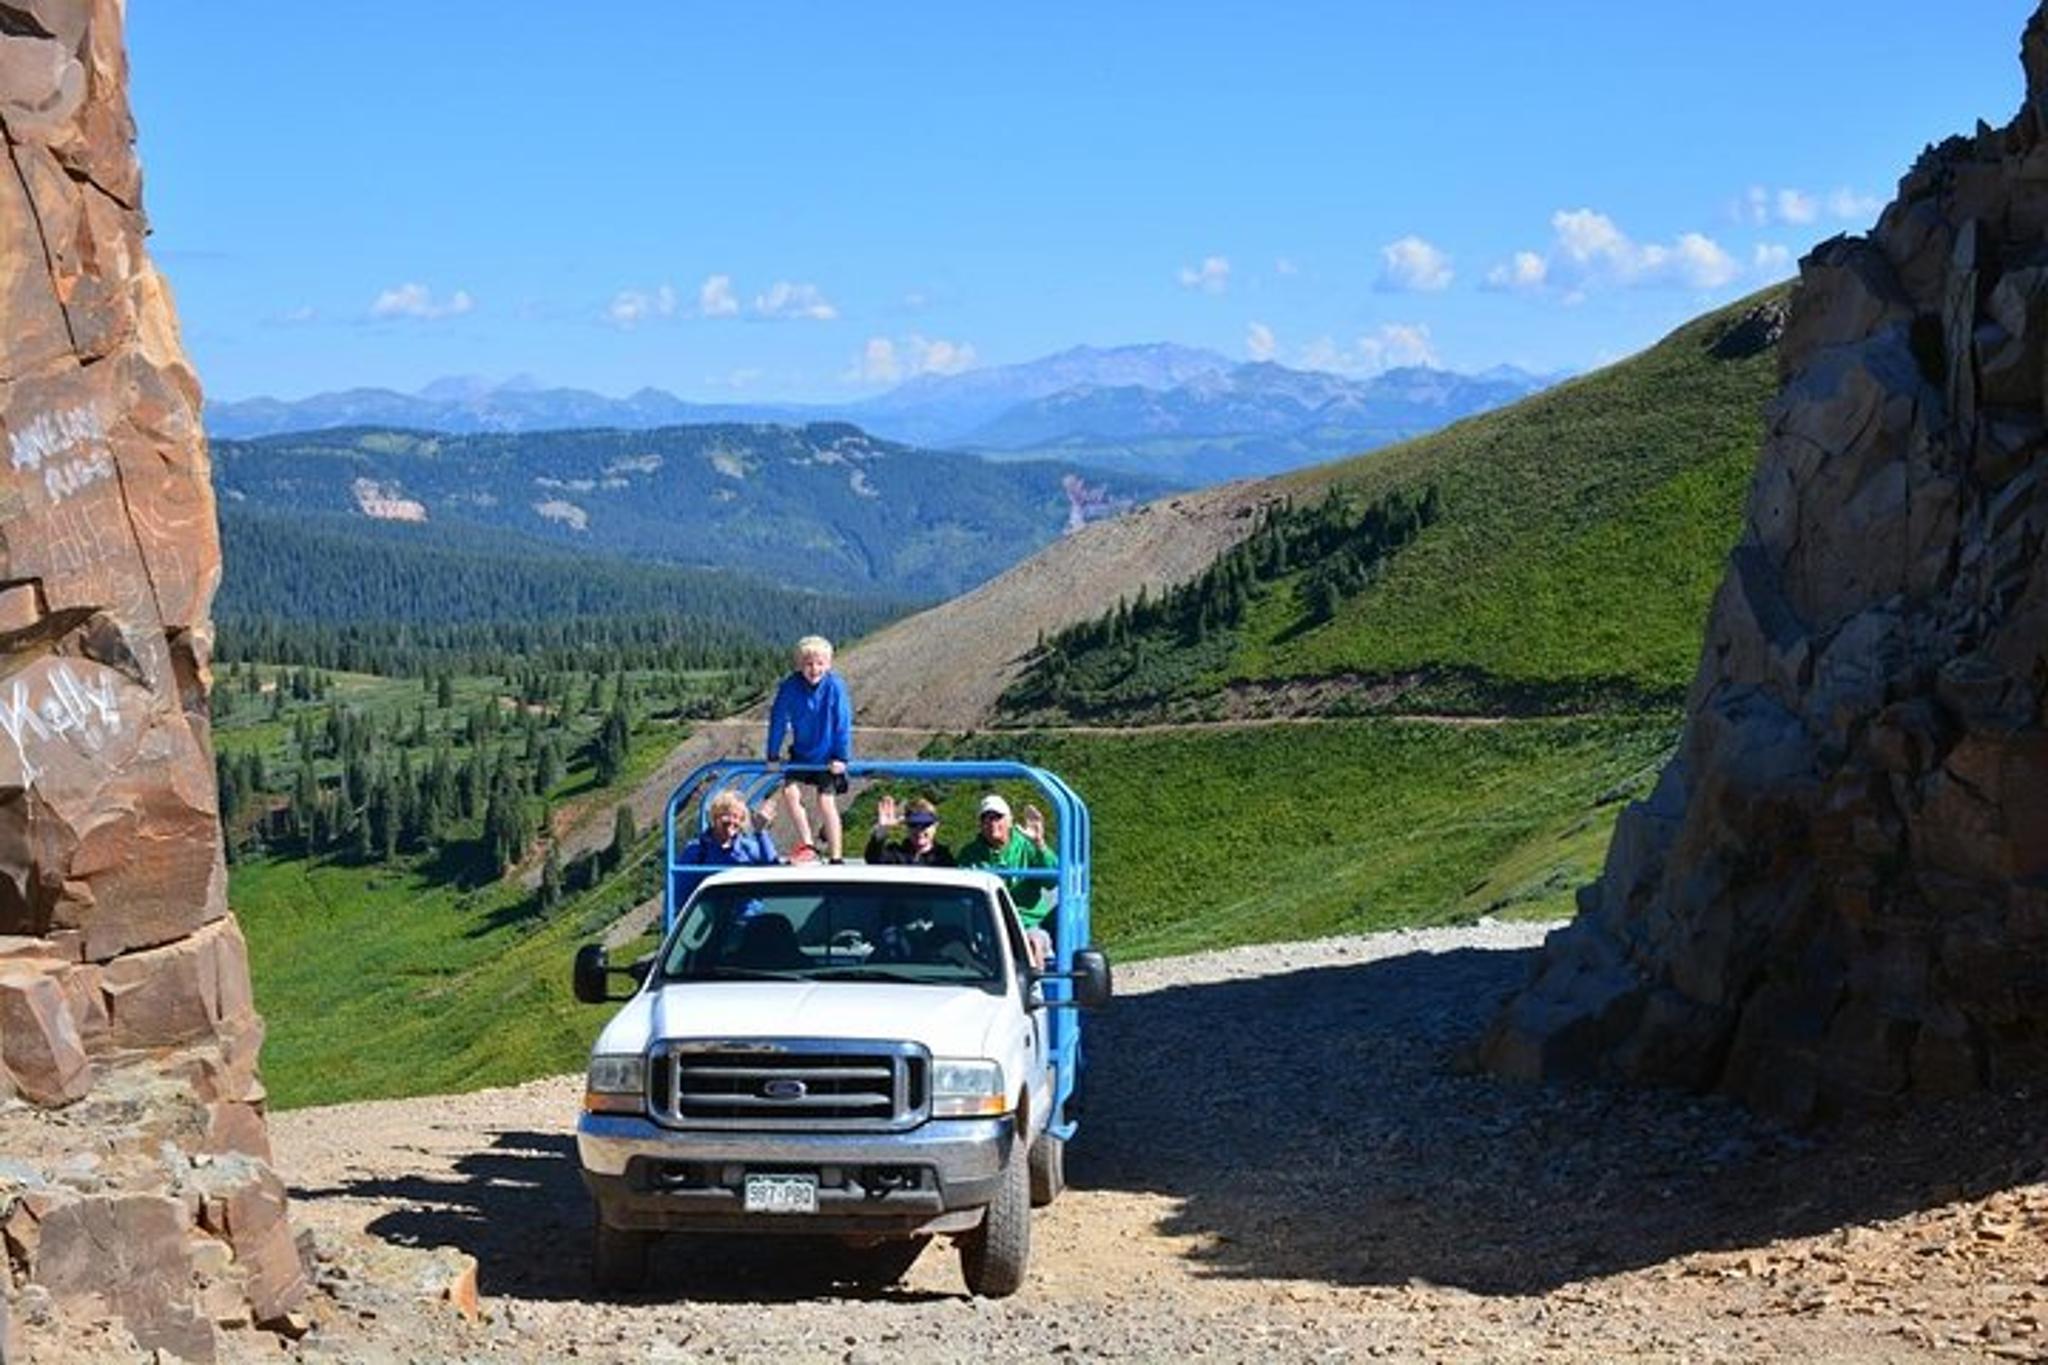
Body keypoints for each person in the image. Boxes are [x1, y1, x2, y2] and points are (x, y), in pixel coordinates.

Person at [764, 635, 853, 862]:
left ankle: (836, 856)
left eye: (820, 663)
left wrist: (842, 757)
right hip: (802, 752)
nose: (814, 669)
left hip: (828, 754)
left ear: (829, 664)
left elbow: (842, 722)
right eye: (809, 664)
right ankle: (808, 844)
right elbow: (778, 722)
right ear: (799, 665)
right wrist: (773, 755)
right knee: (790, 792)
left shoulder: (835, 686)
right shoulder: (790, 687)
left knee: (826, 800)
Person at [957, 793, 1057, 964]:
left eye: (998, 817)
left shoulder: (1028, 847)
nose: (993, 823)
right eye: (986, 818)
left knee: (1032, 943)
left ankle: (1033, 989)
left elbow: (1052, 881)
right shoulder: (969, 854)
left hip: (1027, 923)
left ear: (1010, 821)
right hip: (986, 926)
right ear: (980, 824)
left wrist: (1040, 844)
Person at [674, 788, 778, 906]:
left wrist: (760, 831)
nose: (731, 821)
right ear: (714, 818)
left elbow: (773, 866)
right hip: (716, 921)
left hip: (750, 919)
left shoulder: (748, 848)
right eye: (726, 815)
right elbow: (680, 895)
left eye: (737, 817)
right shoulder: (697, 851)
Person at [864, 795, 955, 866]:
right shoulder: (896, 854)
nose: (919, 831)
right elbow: (873, 858)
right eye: (913, 825)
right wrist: (883, 829)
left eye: (925, 825)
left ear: (935, 826)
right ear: (906, 826)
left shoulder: (943, 858)